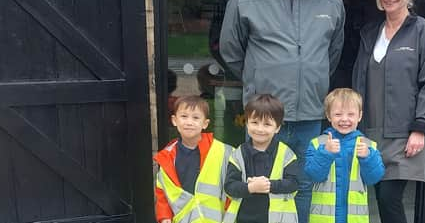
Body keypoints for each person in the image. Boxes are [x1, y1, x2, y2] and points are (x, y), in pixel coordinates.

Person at [219, 0, 346, 222]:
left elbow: (333, 53)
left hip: (309, 116)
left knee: (301, 186)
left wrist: (310, 78)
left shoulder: (331, 0)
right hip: (264, 118)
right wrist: (260, 78)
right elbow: (231, 52)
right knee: (257, 184)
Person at [352, 0, 425, 223]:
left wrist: (421, 128)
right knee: (380, 198)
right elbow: (359, 79)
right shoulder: (370, 32)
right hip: (370, 134)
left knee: (389, 199)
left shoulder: (424, 32)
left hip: (404, 135)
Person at [305, 88, 384, 223]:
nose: (344, 119)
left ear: (359, 116)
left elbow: (374, 178)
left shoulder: (368, 146)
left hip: (355, 219)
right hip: (323, 219)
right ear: (328, 116)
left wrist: (367, 157)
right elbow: (313, 174)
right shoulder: (318, 144)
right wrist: (325, 153)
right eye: (338, 114)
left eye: (351, 114)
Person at [154, 95, 233, 223]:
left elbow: (232, 190)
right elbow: (162, 191)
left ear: (205, 124)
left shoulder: (222, 152)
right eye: (184, 116)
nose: (189, 122)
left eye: (196, 117)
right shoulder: (167, 157)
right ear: (174, 120)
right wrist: (165, 217)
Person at [223, 94, 299, 223]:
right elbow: (229, 187)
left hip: (278, 219)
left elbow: (294, 183)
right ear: (246, 123)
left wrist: (268, 185)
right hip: (243, 218)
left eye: (267, 124)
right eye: (254, 122)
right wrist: (250, 188)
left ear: (278, 128)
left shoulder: (287, 154)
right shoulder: (238, 154)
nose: (260, 129)